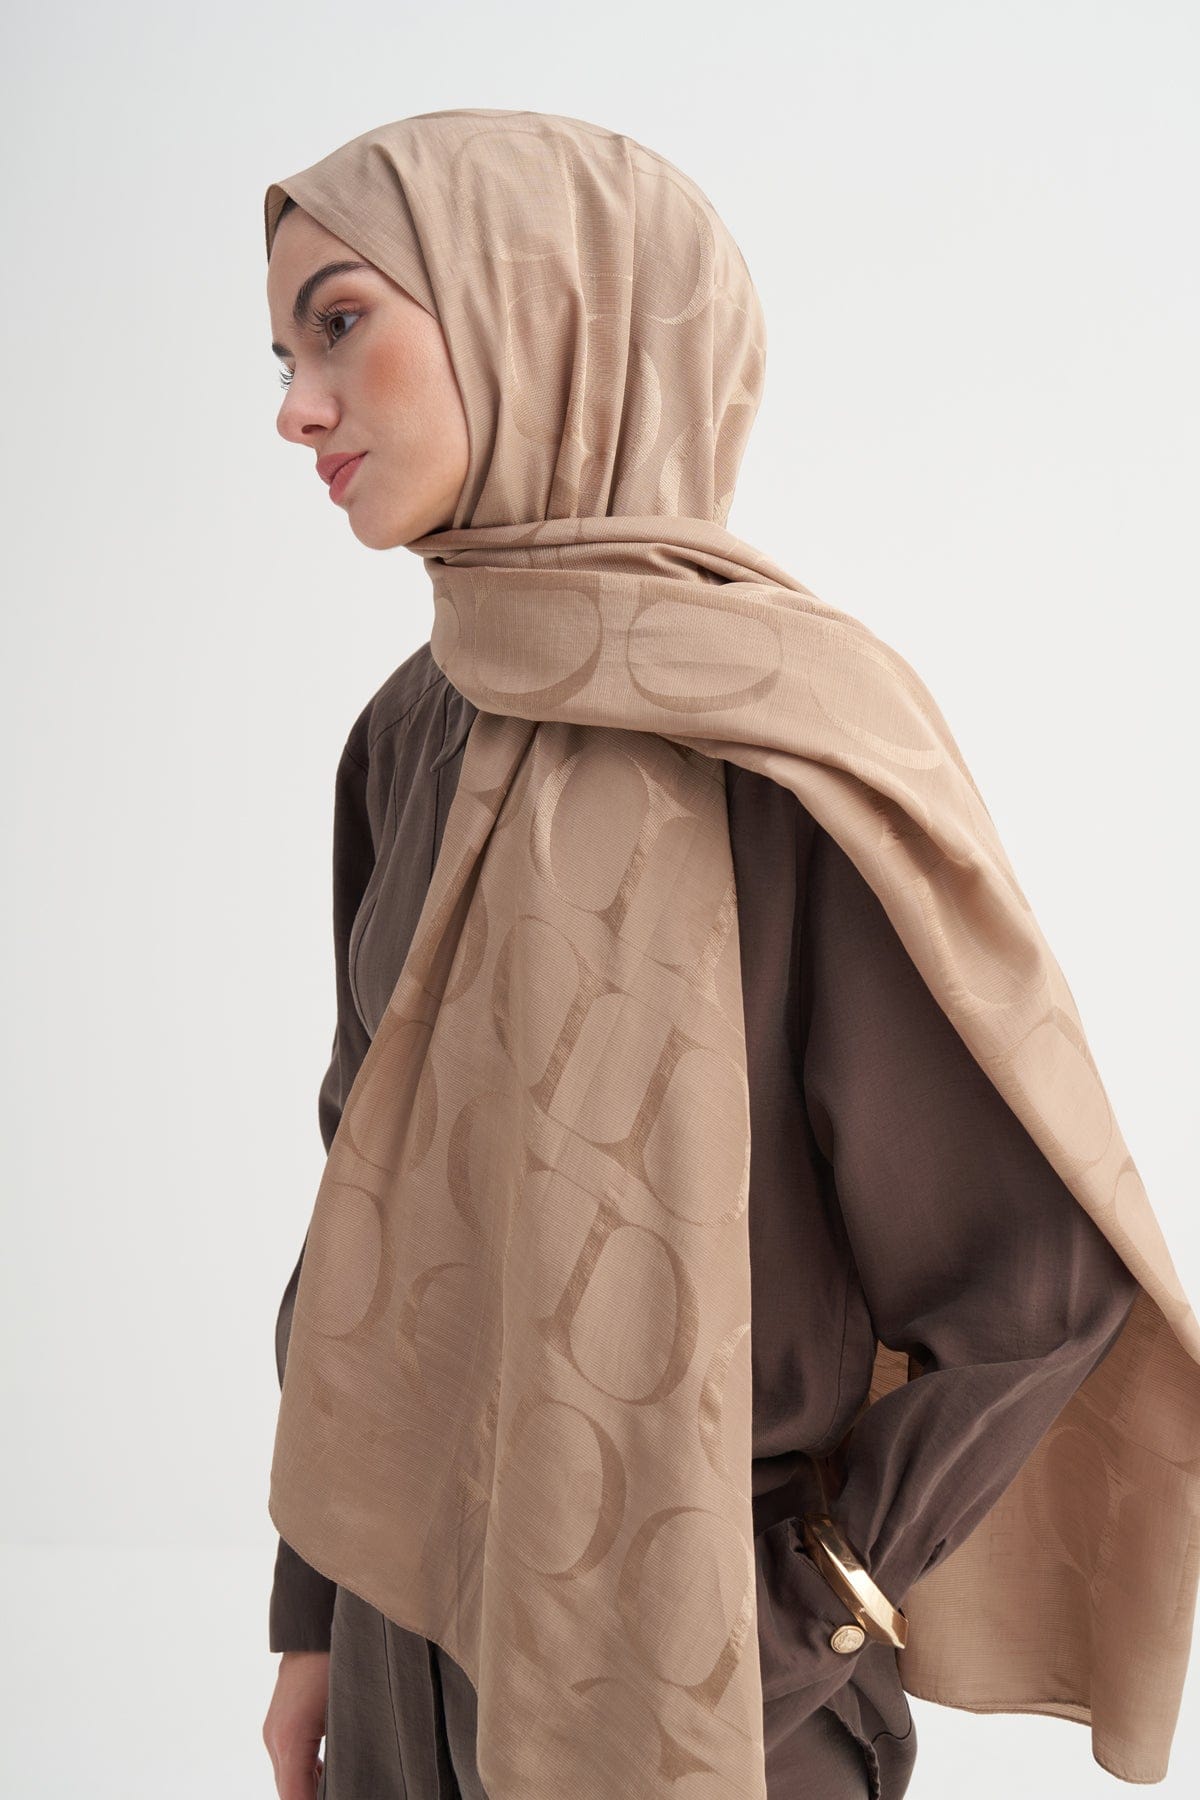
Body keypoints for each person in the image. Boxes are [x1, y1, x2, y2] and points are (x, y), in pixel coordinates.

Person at [258, 112, 1191, 1800]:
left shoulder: (783, 739)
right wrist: (315, 1610)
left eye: (340, 322)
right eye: (282, 355)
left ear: (547, 315)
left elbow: (1037, 1286)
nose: (296, 408)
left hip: (714, 1688)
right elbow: (359, 1205)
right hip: (406, 1639)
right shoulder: (408, 738)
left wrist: (800, 1612)